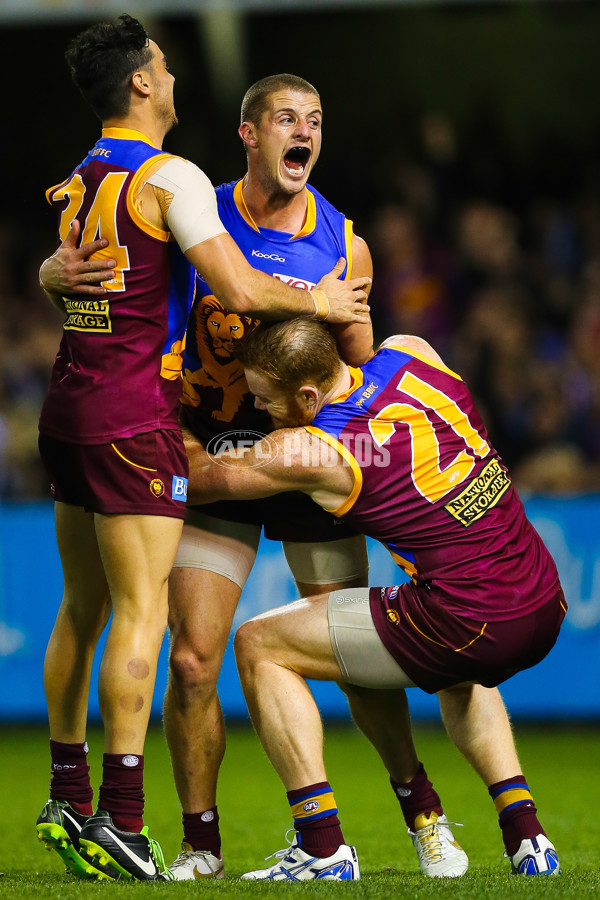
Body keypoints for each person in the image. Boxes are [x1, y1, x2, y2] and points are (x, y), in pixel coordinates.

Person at [40, 72, 474, 881]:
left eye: (314, 119)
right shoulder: (190, 213)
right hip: (211, 452)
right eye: (285, 118)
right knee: (193, 661)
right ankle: (202, 843)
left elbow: (362, 372)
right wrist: (51, 275)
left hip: (307, 463)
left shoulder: (346, 244)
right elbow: (102, 268)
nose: (302, 131)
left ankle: (424, 816)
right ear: (250, 134)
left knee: (348, 653)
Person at [185, 318, 567, 881]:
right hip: (543, 599)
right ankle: (527, 837)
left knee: (257, 644)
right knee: (460, 671)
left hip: (469, 620)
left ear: (308, 396)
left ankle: (322, 847)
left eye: (266, 400)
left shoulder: (310, 448)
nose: (261, 411)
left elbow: (201, 477)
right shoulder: (413, 352)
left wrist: (167, 412)